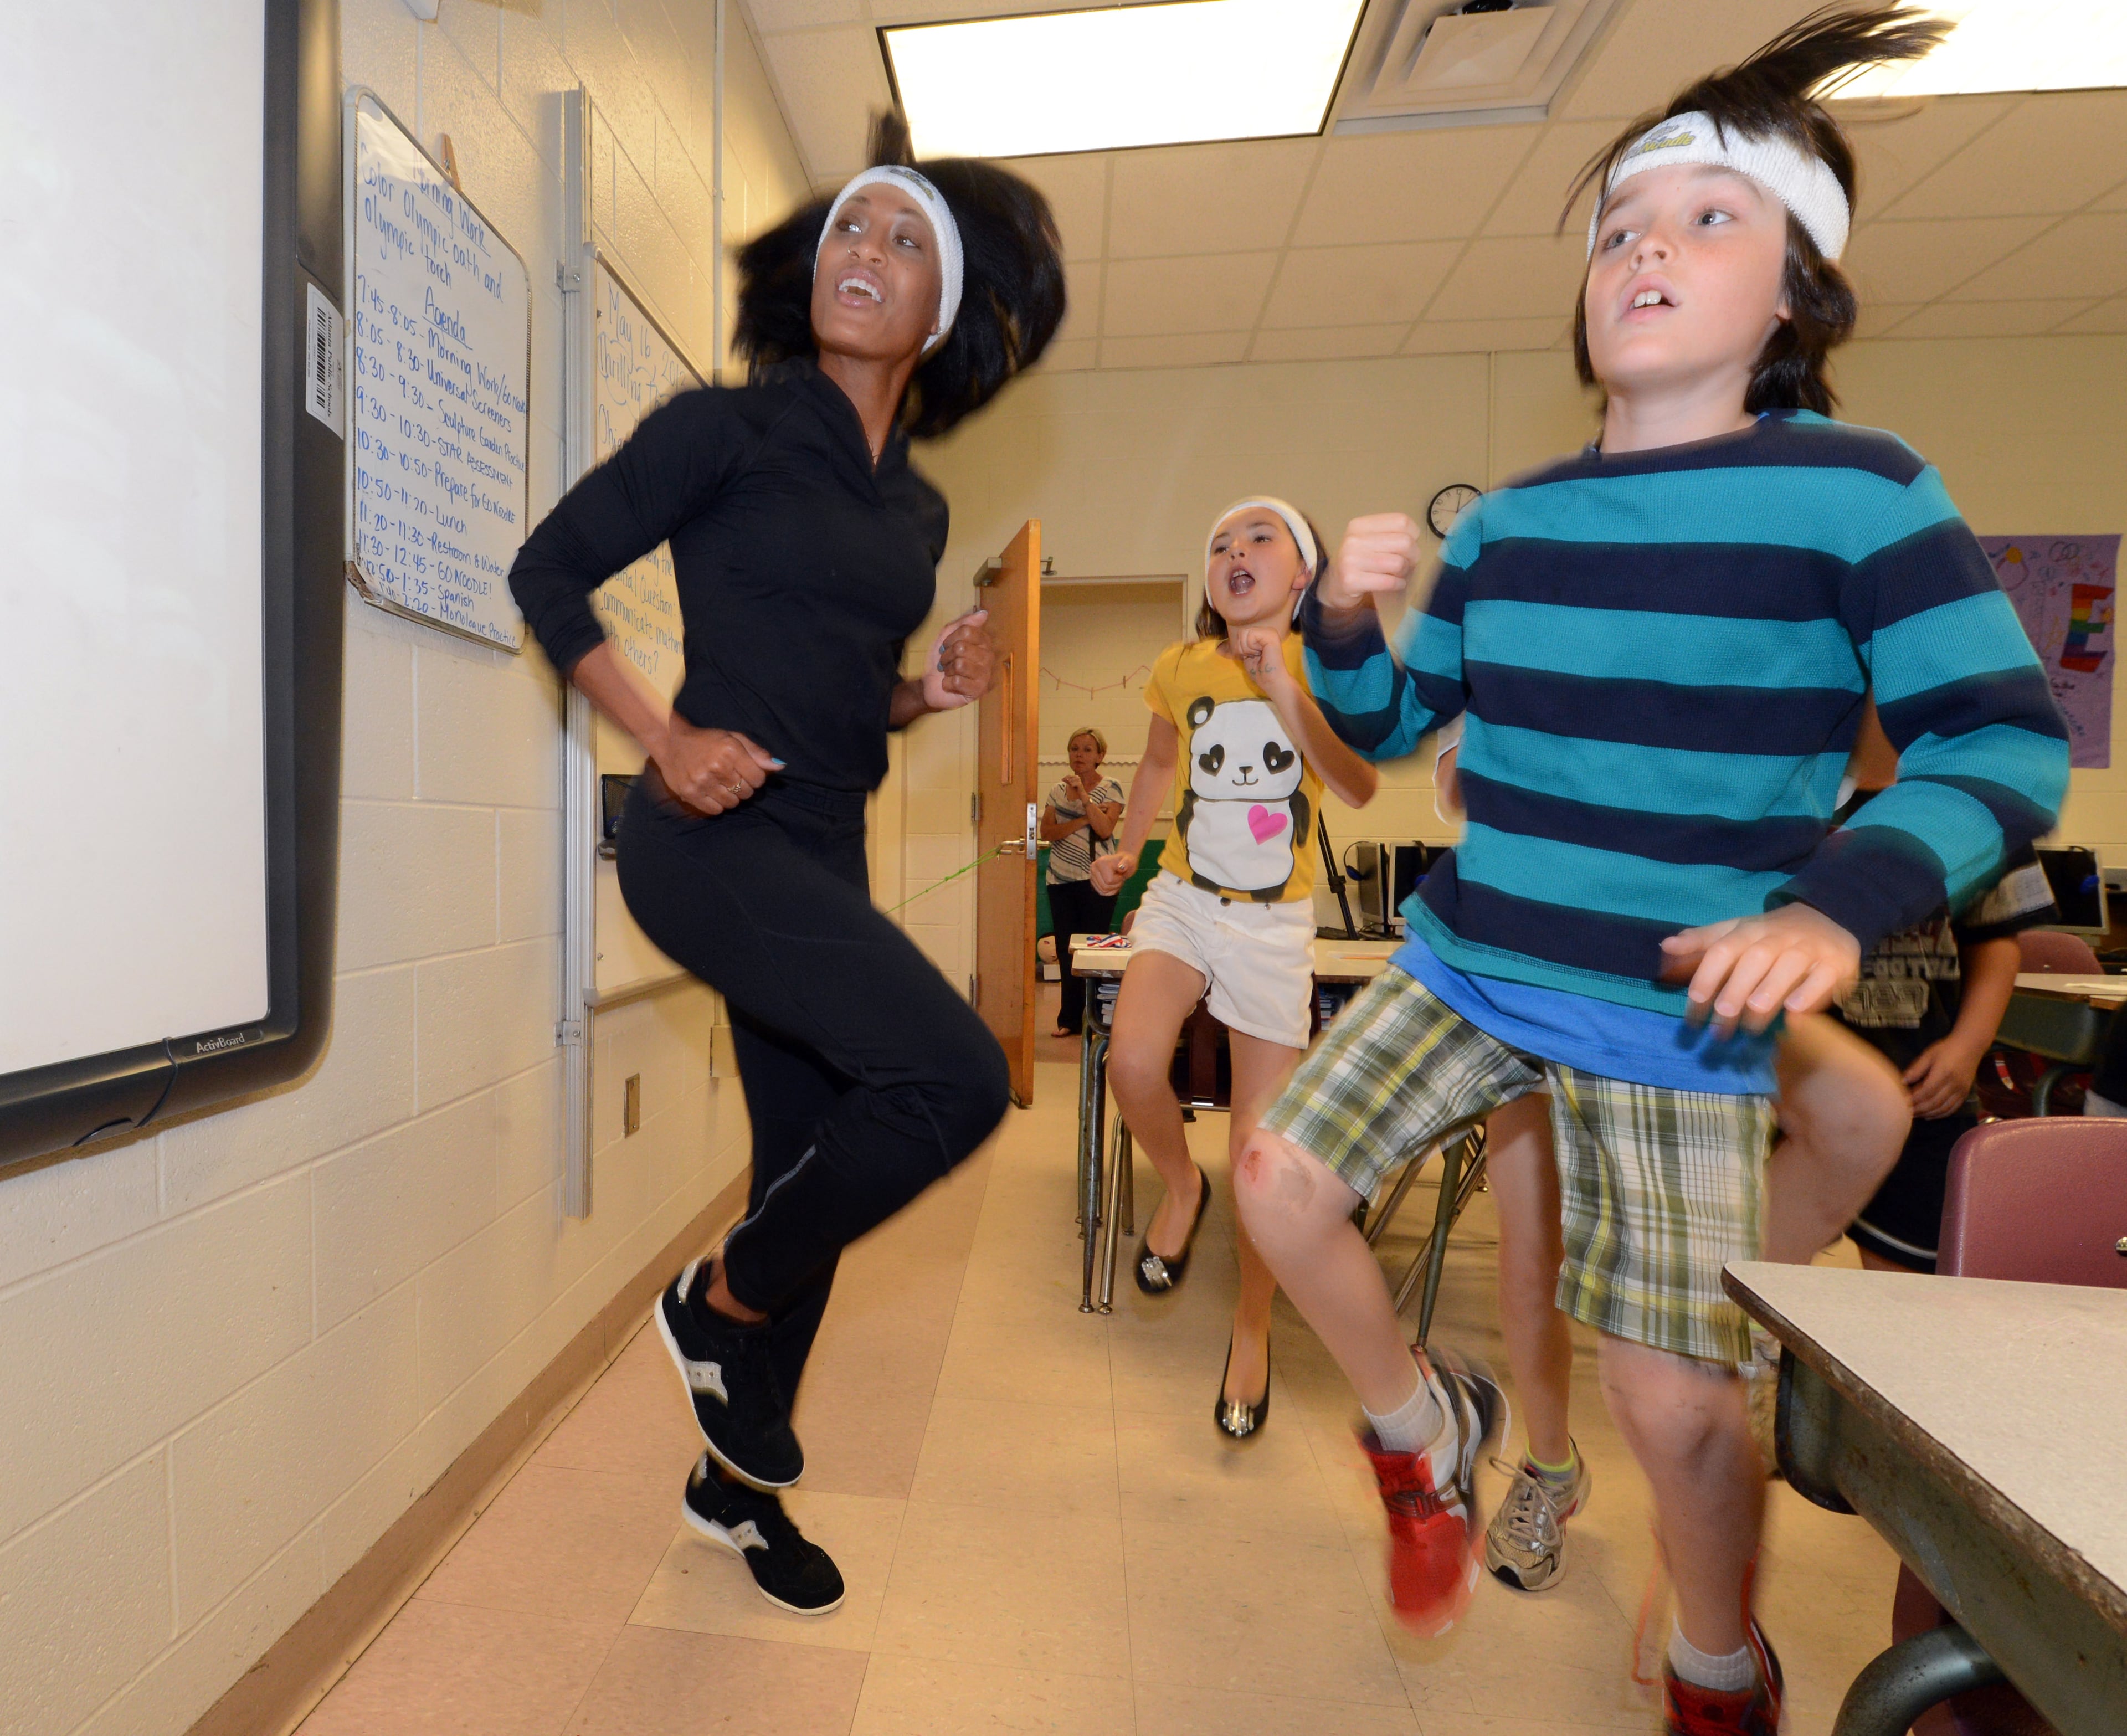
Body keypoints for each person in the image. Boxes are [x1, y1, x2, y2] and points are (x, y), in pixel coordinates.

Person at [1231, 13, 2068, 1736]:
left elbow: (2000, 747)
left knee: (1674, 1406)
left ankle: (1714, 1668)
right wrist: (1337, 621)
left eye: (1703, 220)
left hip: (1673, 1003)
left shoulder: (1855, 496)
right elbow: (1392, 724)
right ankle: (1421, 1434)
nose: (1644, 249)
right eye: (1619, 226)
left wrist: (1827, 905)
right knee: (1278, 1184)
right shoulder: (1517, 524)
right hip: (1473, 956)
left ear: (1792, 297)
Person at [507, 115, 1065, 1617]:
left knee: (813, 1157)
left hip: (819, 844)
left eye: (900, 239)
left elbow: (841, 688)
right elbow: (546, 570)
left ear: (941, 312)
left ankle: (732, 1486)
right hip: (701, 837)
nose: (861, 253)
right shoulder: (725, 428)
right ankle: (718, 1298)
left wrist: (927, 690)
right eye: (847, 229)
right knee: (953, 1078)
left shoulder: (918, 510)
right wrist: (661, 727)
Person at [1427, 723, 1910, 1596]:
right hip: (1546, 966)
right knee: (1534, 1248)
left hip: (1688, 977)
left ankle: (1734, 1360)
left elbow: (1881, 754)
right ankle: (1550, 1465)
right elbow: (1464, 785)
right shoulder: (1540, 615)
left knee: (1863, 1114)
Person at [1090, 500, 1378, 1438]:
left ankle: (1251, 1327)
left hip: (1271, 926)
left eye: (1261, 539)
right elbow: (1155, 763)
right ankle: (1179, 1185)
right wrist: (1125, 852)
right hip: (1182, 897)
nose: (1235, 552)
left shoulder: (1323, 663)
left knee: (1258, 1150)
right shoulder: (1181, 667)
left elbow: (1357, 782)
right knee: (1132, 1062)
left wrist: (1285, 687)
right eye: (1220, 542)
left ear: (1304, 573)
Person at [1831, 706, 2058, 1274]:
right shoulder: (1788, 789)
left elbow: (1997, 940)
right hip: (1790, 1078)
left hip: (1922, 1078)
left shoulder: (1975, 795)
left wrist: (1968, 1047)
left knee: (1907, 1279)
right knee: (1766, 1265)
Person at [1042, 727, 1125, 1036]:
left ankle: (1097, 1018)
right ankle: (1068, 1020)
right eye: (1075, 748)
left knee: (1094, 949)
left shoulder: (1112, 788)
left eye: (1088, 750)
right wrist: (1083, 819)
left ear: (1100, 756)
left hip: (1098, 880)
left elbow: (1104, 829)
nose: (1079, 754)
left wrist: (1085, 798)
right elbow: (1047, 833)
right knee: (1066, 950)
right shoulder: (1055, 791)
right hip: (1060, 879)